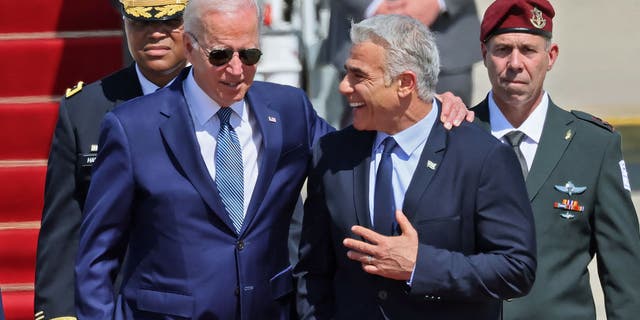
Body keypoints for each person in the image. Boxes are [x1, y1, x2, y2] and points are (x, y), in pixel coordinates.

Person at [294, 14, 536, 319]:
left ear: (405, 83)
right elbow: (313, 273)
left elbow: (516, 269)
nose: (344, 86)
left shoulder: (482, 158)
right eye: (346, 73)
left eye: (359, 76)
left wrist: (420, 266)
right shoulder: (332, 154)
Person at [471, 0, 640, 319]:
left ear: (551, 57)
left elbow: (624, 275)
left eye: (528, 50)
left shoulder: (593, 146)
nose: (515, 63)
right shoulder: (454, 137)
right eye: (503, 49)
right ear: (484, 54)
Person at [34, 0, 188, 318]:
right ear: (123, 21)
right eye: (140, 21)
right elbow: (65, 227)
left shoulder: (224, 101)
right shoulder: (84, 110)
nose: (155, 33)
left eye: (170, 20)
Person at [373, 0, 481, 106]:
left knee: (451, 117)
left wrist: (438, 2)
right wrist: (373, 5)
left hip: (447, 41)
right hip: (370, 39)